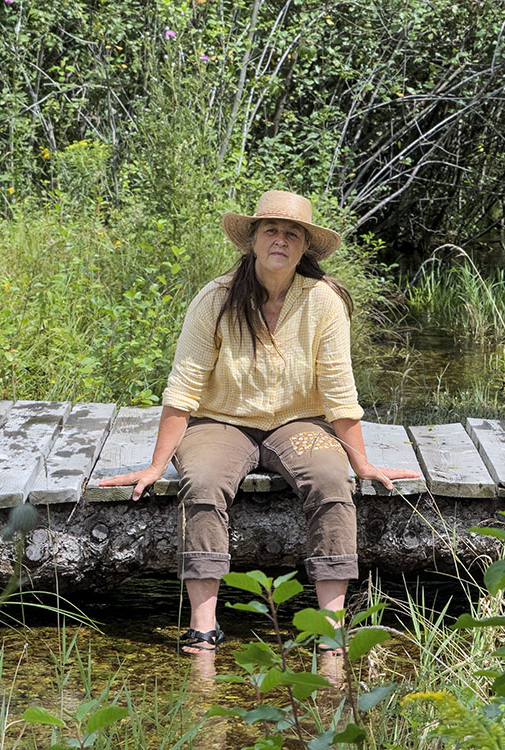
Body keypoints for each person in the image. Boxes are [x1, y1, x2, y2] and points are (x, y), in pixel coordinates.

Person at [100, 190, 420, 654]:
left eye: (293, 233)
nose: (281, 240)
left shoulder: (324, 301)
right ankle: (203, 626)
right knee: (204, 481)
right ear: (252, 239)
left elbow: (339, 392)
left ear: (304, 247)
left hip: (300, 422)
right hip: (221, 423)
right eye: (271, 229)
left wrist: (363, 463)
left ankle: (329, 629)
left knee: (333, 480)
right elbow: (183, 388)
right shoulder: (216, 298)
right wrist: (156, 465)